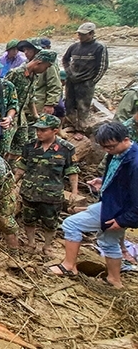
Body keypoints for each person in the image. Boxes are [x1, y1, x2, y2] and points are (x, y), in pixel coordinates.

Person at [50, 122, 138, 289]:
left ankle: (68, 266)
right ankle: (114, 280)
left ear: (126, 139)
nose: (107, 151)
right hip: (114, 204)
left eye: (110, 147)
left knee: (71, 224)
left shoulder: (135, 163)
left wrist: (123, 220)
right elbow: (119, 179)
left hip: (118, 210)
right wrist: (104, 182)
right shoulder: (119, 153)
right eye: (104, 147)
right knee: (108, 242)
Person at [13, 114, 79, 255]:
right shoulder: (30, 146)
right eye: (38, 130)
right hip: (30, 191)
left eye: (43, 130)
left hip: (51, 194)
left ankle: (47, 246)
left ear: (55, 130)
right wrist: (13, 183)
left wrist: (74, 191)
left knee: (50, 222)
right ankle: (31, 243)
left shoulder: (66, 149)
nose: (39, 133)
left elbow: (72, 170)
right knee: (28, 219)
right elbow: (21, 166)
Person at [5, 50, 57, 163]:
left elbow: (30, 98)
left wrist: (36, 116)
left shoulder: (34, 76)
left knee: (21, 147)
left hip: (21, 117)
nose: (46, 70)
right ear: (39, 62)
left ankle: (12, 170)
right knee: (5, 147)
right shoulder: (16, 73)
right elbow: (2, 94)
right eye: (46, 66)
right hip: (9, 117)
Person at [62, 22, 109, 138]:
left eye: (83, 34)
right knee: (69, 103)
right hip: (72, 80)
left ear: (92, 34)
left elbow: (102, 66)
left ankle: (81, 130)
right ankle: (72, 124)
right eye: (79, 34)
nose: (80, 37)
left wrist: (93, 81)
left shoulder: (99, 47)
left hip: (86, 82)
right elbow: (65, 59)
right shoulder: (74, 47)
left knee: (83, 106)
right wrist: (68, 72)